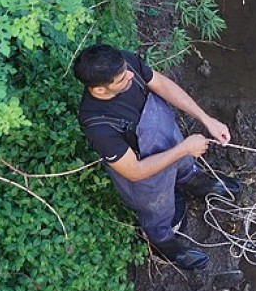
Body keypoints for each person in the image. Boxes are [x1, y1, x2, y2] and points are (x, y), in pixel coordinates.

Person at [73, 44, 239, 270]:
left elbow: (161, 84)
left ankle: (191, 180)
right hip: (146, 176)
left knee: (183, 162)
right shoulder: (98, 125)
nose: (131, 76)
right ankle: (163, 242)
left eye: (127, 70)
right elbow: (135, 171)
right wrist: (184, 149)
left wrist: (206, 119)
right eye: (122, 79)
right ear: (100, 90)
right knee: (158, 208)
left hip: (168, 136)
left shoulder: (122, 64)